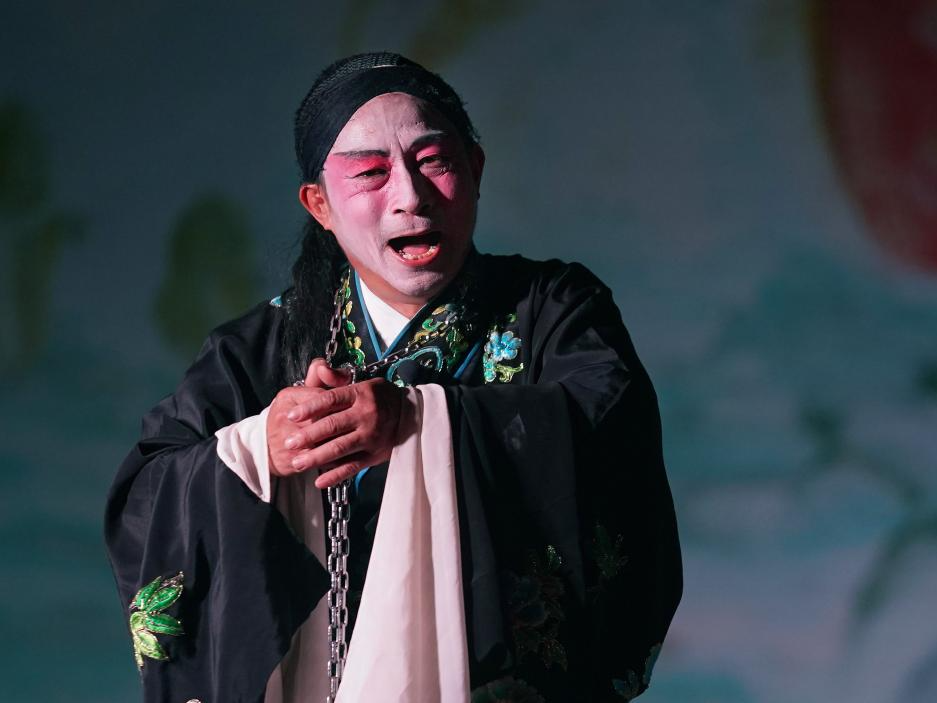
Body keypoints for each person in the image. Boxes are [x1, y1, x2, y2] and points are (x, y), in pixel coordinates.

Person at [105, 52, 682, 703]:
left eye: (433, 161)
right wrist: (259, 447)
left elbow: (611, 435)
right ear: (320, 204)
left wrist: (418, 420)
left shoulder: (555, 310)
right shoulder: (256, 351)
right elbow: (148, 493)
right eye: (371, 173)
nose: (410, 196)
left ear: (476, 168)